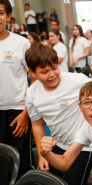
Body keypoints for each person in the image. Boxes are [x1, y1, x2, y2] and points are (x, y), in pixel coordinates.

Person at [25, 43, 92, 185]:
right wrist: (42, 154)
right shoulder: (32, 93)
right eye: (44, 72)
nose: (52, 75)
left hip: (83, 146)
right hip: (57, 144)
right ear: (32, 72)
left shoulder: (78, 81)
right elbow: (37, 123)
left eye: (54, 68)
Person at [0, 0, 33, 179]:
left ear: (8, 16)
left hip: (18, 112)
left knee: (21, 164)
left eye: (1, 13)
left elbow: (35, 79)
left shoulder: (21, 43)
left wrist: (26, 112)